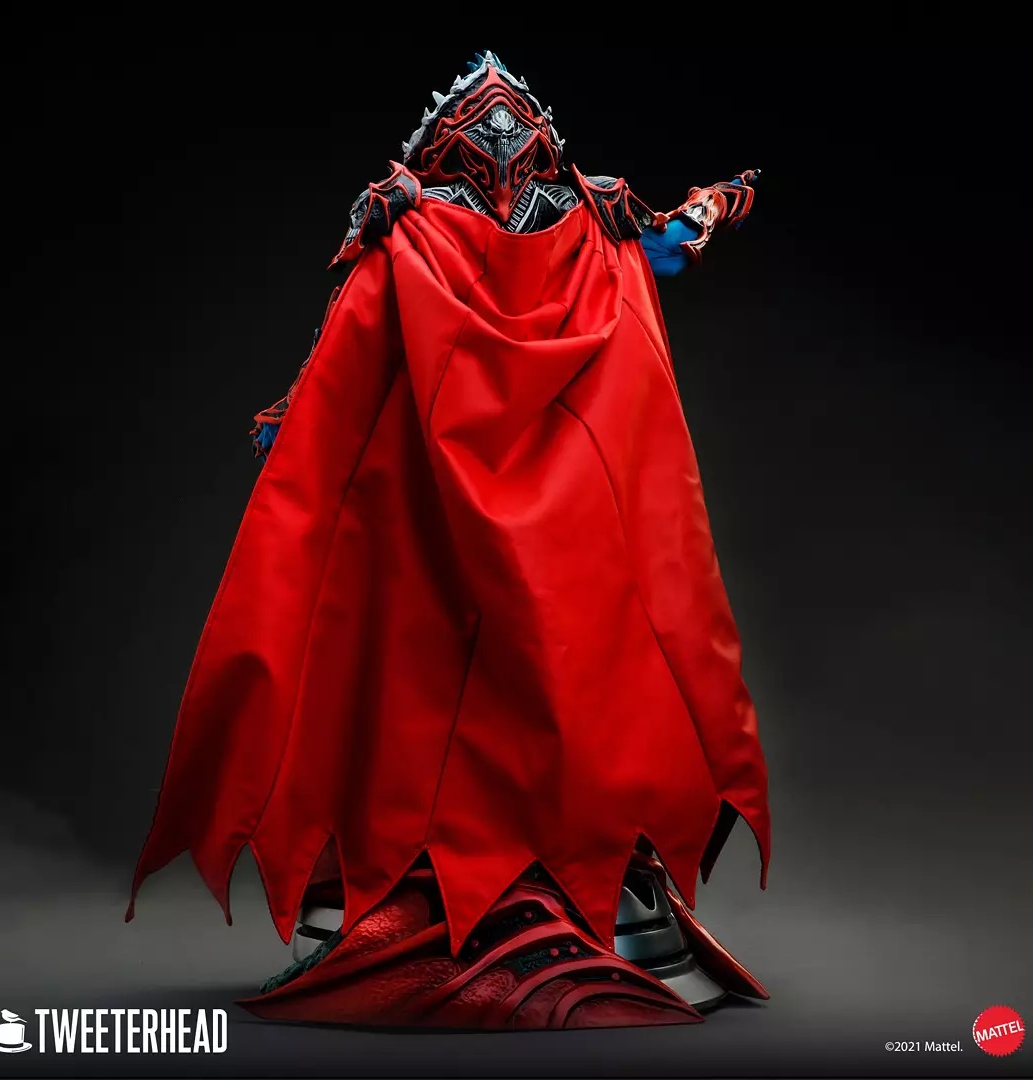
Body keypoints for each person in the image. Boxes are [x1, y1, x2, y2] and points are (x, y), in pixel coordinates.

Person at [128, 50, 771, 1030]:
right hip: (483, 503)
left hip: (499, 500)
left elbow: (340, 353)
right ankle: (475, 892)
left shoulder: (417, 225)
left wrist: (296, 426)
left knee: (491, 679)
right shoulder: (567, 223)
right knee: (500, 678)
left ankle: (538, 888)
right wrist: (714, 207)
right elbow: (668, 248)